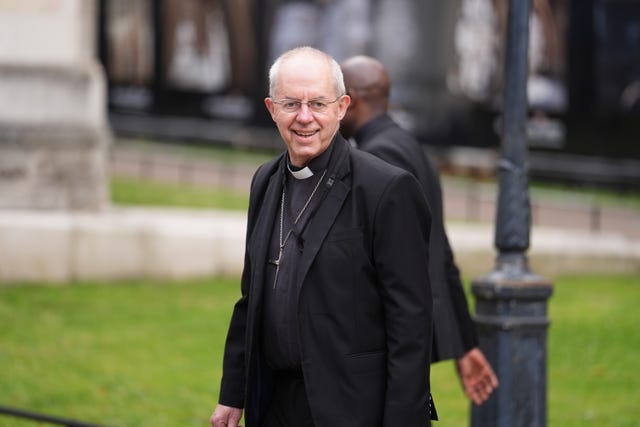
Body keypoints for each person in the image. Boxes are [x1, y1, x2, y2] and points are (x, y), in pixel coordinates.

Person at [210, 46, 435, 427]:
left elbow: (410, 323)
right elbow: (251, 300)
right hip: (274, 403)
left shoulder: (386, 189)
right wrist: (233, 393)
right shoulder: (264, 181)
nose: (304, 118)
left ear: (342, 107)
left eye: (317, 103)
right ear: (271, 109)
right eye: (291, 104)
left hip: (352, 407)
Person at [340, 55, 499, 406]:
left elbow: (401, 262)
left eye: (335, 98)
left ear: (351, 98)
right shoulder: (409, 146)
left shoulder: (379, 157)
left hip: (387, 340)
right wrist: (464, 343)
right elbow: (439, 250)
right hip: (403, 338)